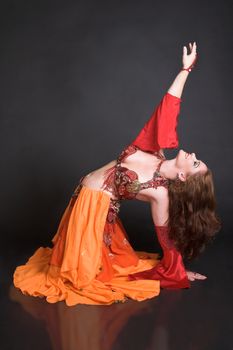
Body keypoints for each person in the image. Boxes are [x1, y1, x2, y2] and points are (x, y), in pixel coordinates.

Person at [13, 41, 221, 306]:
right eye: (197, 159)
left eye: (194, 164)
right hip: (83, 197)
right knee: (81, 268)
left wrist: (176, 271)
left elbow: (166, 238)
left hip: (94, 211)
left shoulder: (161, 194)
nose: (193, 156)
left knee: (85, 277)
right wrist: (185, 70)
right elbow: (168, 108)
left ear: (183, 178)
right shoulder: (156, 151)